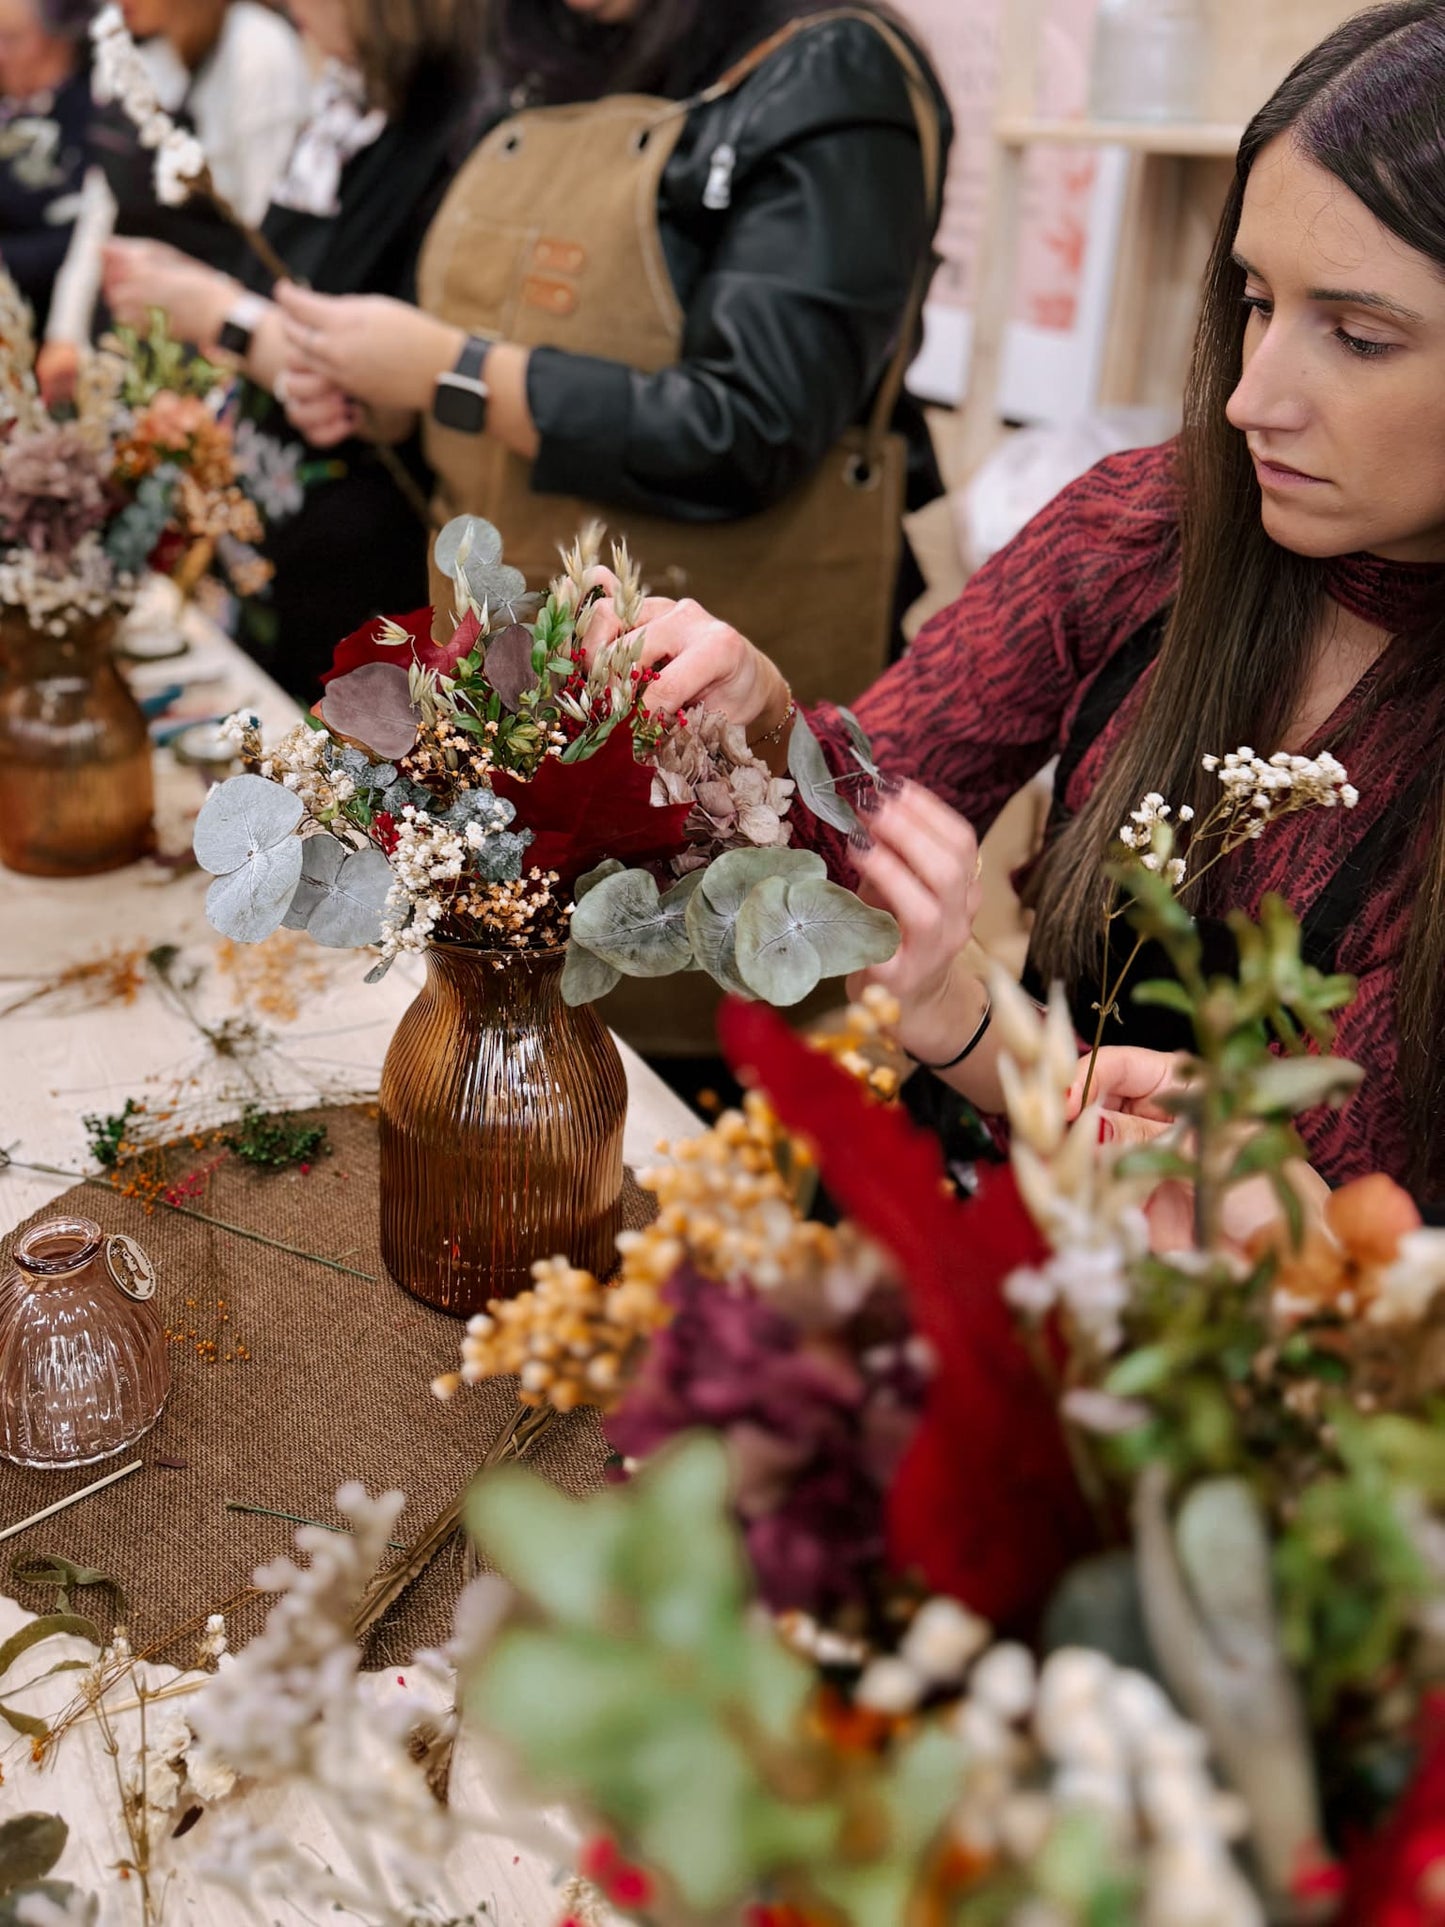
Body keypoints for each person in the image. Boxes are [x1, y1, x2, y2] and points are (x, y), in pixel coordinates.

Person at [567, 0, 1445, 1215]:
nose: (1251, 398)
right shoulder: (1145, 531)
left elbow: (1312, 1226)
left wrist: (965, 1018)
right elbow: (854, 836)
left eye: (1354, 335)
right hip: (962, 1213)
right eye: (1252, 301)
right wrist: (759, 718)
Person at [272, 0, 953, 708]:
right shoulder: (539, 55)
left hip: (706, 682)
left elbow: (748, 425)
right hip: (503, 650)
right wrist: (396, 396)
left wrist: (455, 374)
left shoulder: (829, 68)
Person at [100, 0, 486, 694]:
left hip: (368, 566)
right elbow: (290, 288)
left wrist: (220, 313)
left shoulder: (454, 136)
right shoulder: (348, 106)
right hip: (279, 535)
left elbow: (379, 385)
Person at [90, 0, 309, 272]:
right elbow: (95, 222)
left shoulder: (258, 51)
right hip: (133, 300)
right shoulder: (122, 51)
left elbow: (272, 235)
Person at [0, 0, 91, 330]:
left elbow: (83, 238)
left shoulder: (89, 118)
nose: (0, 55)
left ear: (59, 37)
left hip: (42, 316)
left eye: (12, 39)